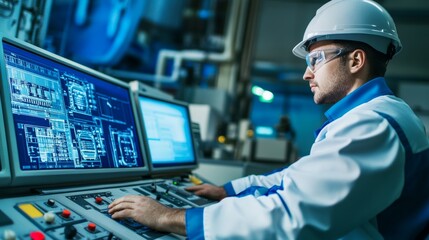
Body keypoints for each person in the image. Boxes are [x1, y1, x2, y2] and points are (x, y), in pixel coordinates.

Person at [108, 0, 429, 239]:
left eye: (316, 59)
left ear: (356, 60)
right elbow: (297, 179)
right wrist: (229, 190)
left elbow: (291, 215)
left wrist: (171, 217)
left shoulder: (374, 125)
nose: (307, 73)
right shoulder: (375, 115)